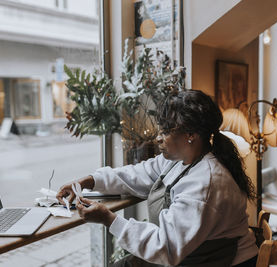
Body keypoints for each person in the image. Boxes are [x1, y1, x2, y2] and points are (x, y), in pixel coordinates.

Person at [57, 89, 258, 267]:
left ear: (191, 135)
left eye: (166, 131)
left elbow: (166, 248)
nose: (158, 138)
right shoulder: (180, 159)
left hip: (220, 261)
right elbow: (139, 173)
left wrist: (109, 219)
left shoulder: (206, 183)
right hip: (191, 253)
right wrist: (90, 180)